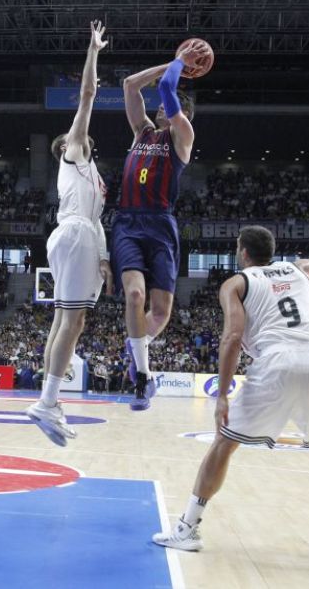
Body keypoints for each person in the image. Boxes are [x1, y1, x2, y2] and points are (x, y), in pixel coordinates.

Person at [153, 227, 309, 562]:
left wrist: (223, 395)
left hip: (276, 361)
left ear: (242, 252)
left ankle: (187, 528)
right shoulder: (299, 268)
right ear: (272, 251)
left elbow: (232, 337)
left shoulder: (237, 283)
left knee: (225, 443)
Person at [25, 21, 113, 445]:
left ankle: (48, 401)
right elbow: (89, 95)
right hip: (73, 233)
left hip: (80, 236)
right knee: (73, 321)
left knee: (64, 319)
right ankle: (46, 402)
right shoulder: (74, 153)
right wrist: (94, 51)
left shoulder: (92, 175)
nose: (81, 134)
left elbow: (98, 223)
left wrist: (105, 256)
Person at [114, 40, 209, 411]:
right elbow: (129, 86)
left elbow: (168, 89)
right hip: (127, 222)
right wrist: (170, 62)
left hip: (160, 224)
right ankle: (141, 376)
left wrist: (180, 66)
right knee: (134, 296)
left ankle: (137, 347)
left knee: (160, 313)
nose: (159, 106)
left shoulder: (182, 136)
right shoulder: (141, 132)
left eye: (167, 106)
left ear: (181, 113)